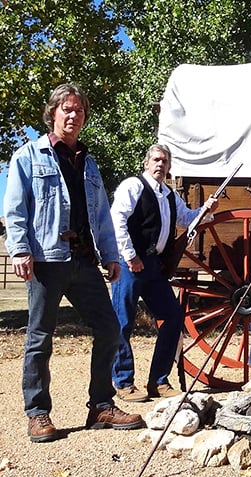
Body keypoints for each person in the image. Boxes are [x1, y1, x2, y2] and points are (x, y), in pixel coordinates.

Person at [3, 83, 145, 442]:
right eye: (67, 109)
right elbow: (15, 210)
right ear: (53, 113)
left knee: (110, 328)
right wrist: (19, 250)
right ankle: (38, 413)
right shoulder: (28, 157)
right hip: (46, 260)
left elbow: (101, 215)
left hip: (83, 261)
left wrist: (111, 255)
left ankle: (101, 405)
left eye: (79, 110)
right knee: (40, 338)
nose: (73, 115)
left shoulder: (88, 162)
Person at [109, 144, 219, 402]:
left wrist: (206, 211)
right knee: (122, 321)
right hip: (130, 264)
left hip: (153, 266)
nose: (161, 165)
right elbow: (117, 219)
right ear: (146, 163)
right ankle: (123, 382)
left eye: (165, 161)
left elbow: (186, 219)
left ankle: (158, 381)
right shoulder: (132, 186)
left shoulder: (169, 194)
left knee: (172, 317)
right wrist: (130, 255)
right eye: (156, 160)